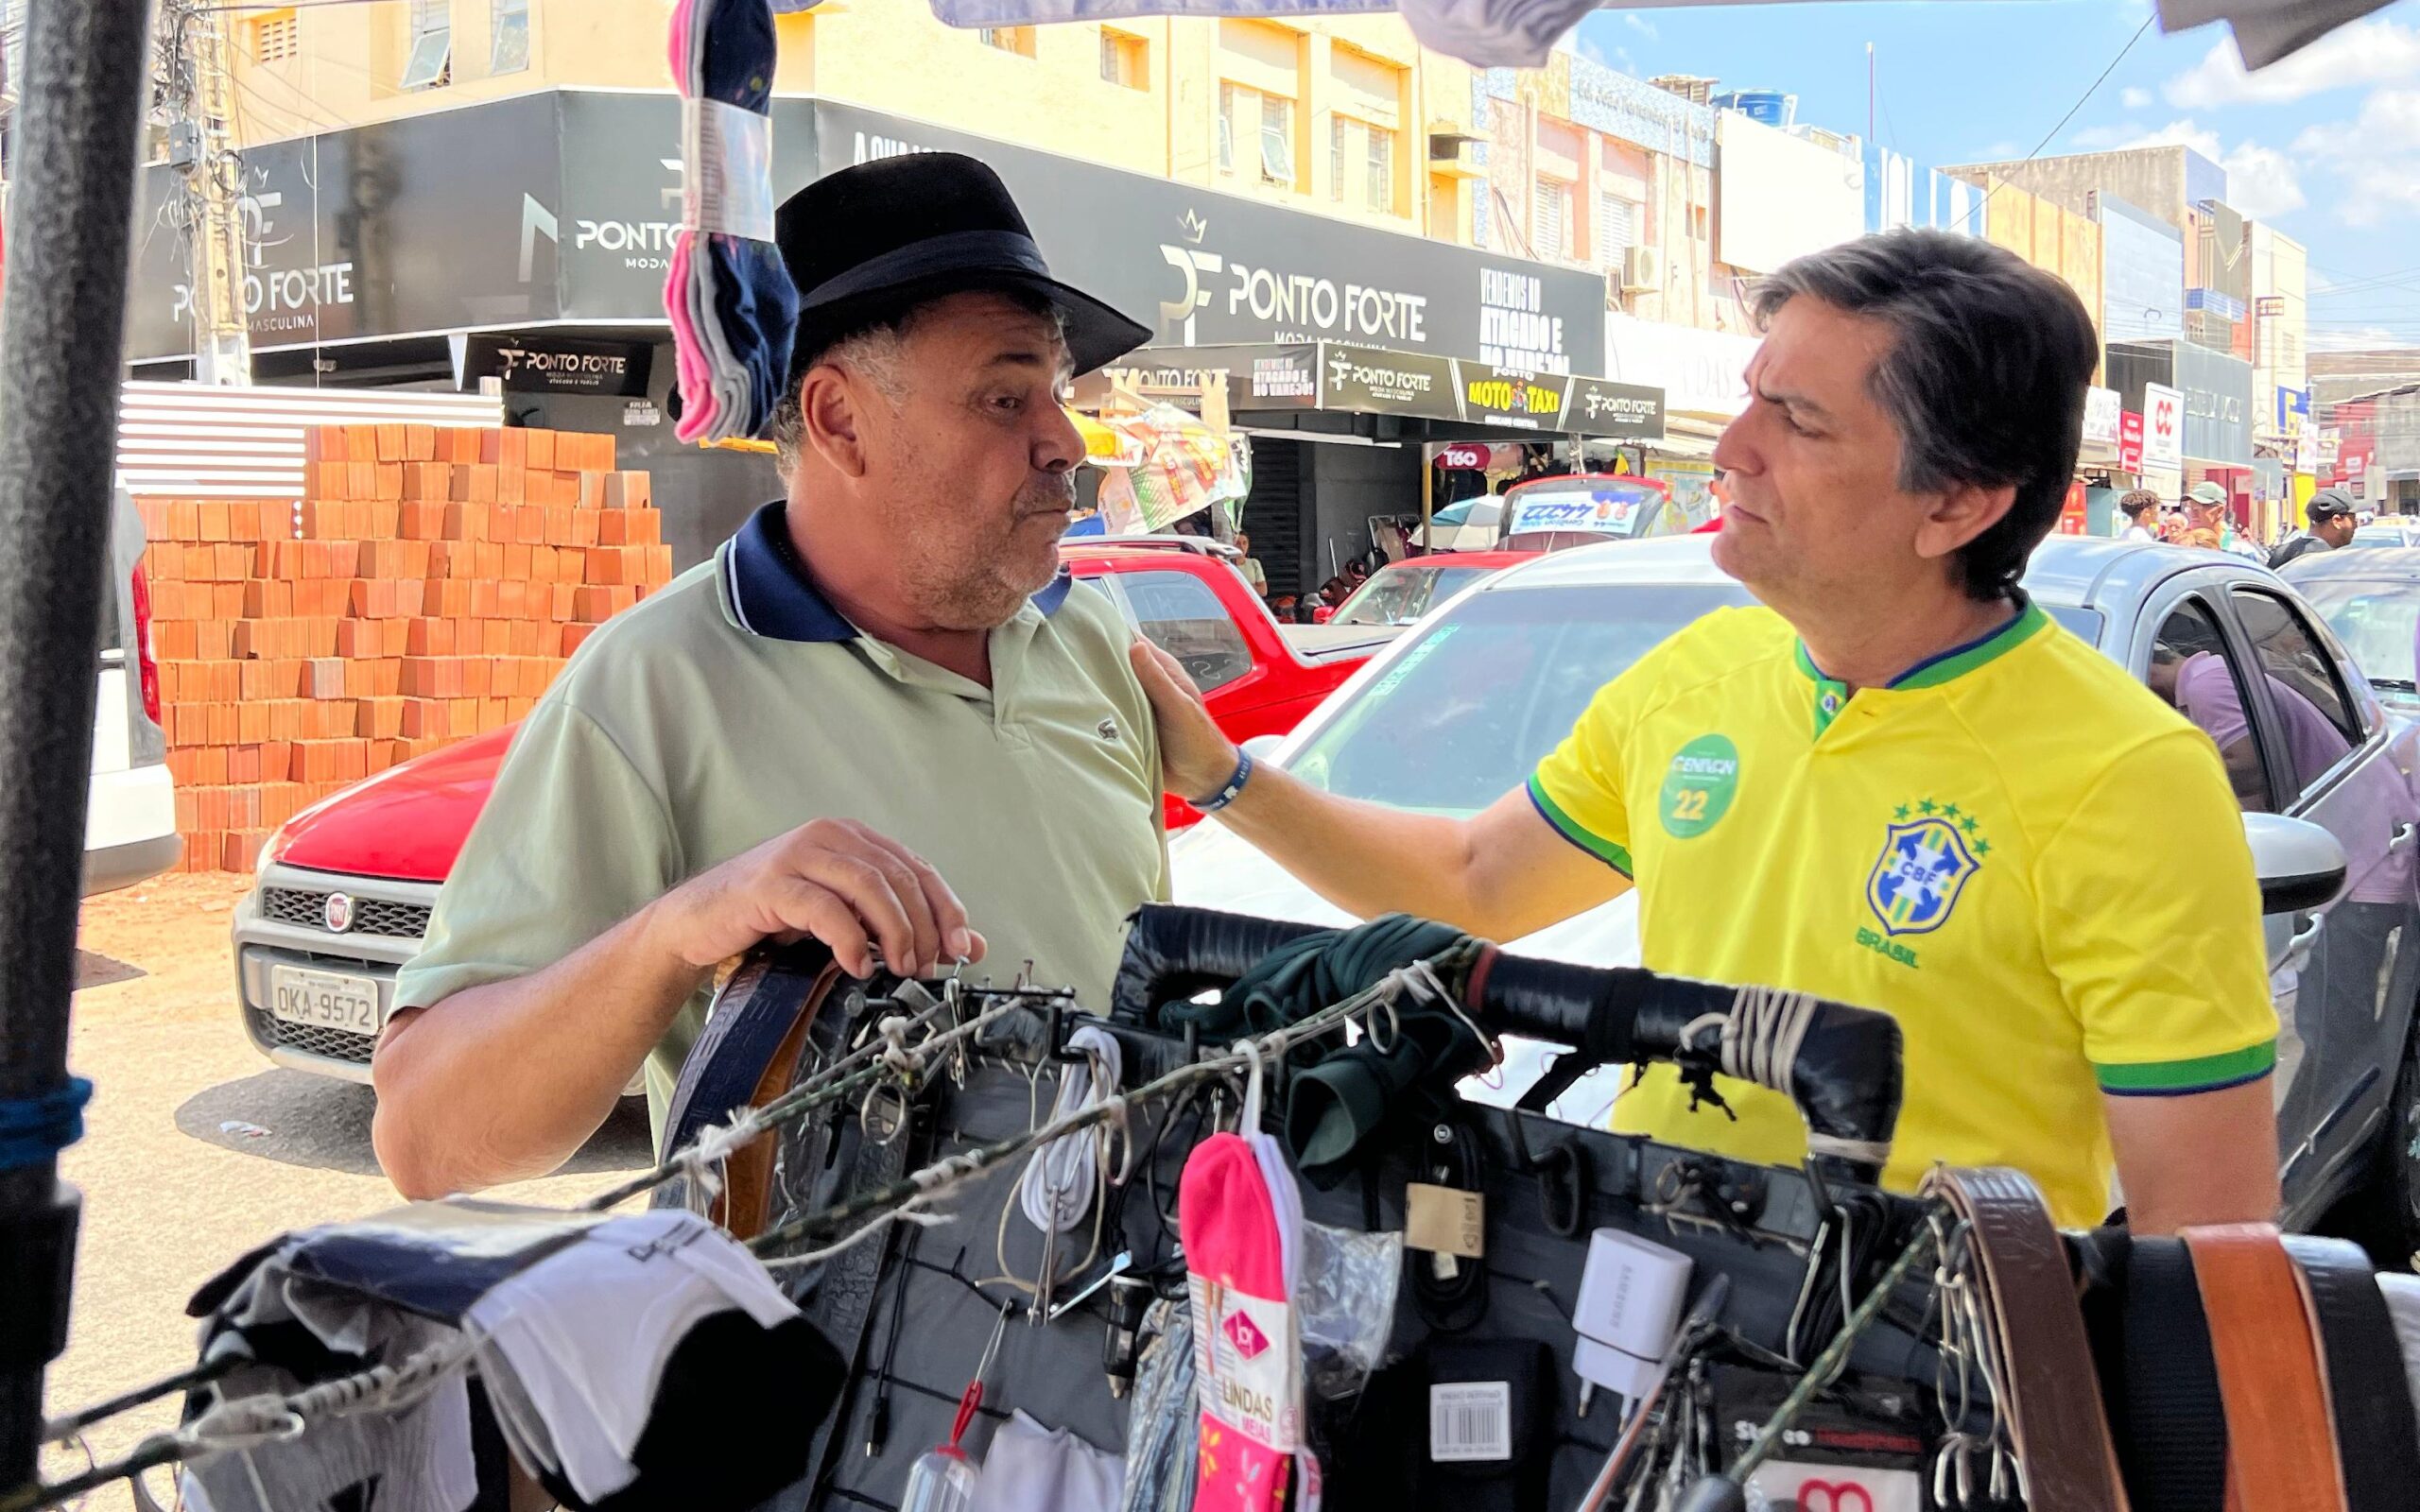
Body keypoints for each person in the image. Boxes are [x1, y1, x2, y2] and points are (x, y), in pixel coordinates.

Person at [1131, 230, 2280, 1234]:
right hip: (1634, 1314)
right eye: (1748, 394)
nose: (1730, 448)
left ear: (1958, 502)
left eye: (1799, 422)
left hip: (1915, 1383)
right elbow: (1476, 881)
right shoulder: (1693, 681)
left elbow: (2206, 1237)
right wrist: (1227, 777)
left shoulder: (2129, 778)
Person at [372, 154, 1169, 1198]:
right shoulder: (655, 684)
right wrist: (679, 929)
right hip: (818, 1356)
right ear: (838, 419)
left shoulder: (1092, 642)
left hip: (1137, 1339)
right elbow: (426, 1140)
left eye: (1054, 395)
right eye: (1003, 396)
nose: (1063, 439)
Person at [2268, 489, 2358, 568]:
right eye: (2353, 519)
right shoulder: (2333, 561)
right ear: (2336, 521)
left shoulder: (2281, 554)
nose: (2356, 526)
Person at [2183, 481, 2267, 562]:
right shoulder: (2184, 546)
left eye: (2198, 509)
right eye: (2190, 508)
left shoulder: (2242, 551)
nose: (2193, 515)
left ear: (2220, 511)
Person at [1235, 530, 1270, 599]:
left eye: (1244, 543)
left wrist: (1240, 585)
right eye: (1238, 543)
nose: (1241, 546)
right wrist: (1253, 586)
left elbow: (1263, 591)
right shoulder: (1227, 564)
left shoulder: (1254, 563)